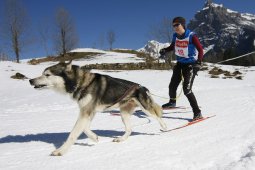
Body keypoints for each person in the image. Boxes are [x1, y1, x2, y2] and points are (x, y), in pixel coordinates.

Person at [159, 16, 203, 121]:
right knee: (172, 86)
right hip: (179, 64)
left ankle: (197, 113)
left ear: (182, 25)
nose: (175, 27)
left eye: (176, 25)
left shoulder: (192, 36)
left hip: (190, 65)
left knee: (187, 90)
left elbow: (200, 50)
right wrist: (165, 50)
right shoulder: (175, 36)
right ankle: (172, 102)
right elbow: (172, 47)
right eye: (173, 26)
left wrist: (198, 62)